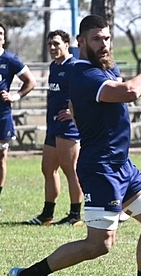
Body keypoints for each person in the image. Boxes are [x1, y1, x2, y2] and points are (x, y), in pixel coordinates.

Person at [8, 14, 141, 276]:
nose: (104, 43)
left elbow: (90, 102)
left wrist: (80, 113)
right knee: (99, 244)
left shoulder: (104, 68)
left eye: (107, 38)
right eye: (97, 39)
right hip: (101, 169)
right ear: (81, 42)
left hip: (123, 165)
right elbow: (130, 92)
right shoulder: (84, 73)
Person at [24, 30, 83, 226]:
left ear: (67, 45)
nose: (52, 48)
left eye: (56, 44)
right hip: (53, 126)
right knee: (48, 169)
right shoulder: (54, 66)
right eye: (50, 44)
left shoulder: (74, 66)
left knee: (70, 170)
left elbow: (85, 92)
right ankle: (47, 214)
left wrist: (73, 112)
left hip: (67, 128)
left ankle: (75, 215)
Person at [0, 21, 36, 210]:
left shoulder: (10, 60)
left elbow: (31, 81)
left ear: (4, 38)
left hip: (2, 116)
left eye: (0, 33)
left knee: (1, 157)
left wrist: (15, 96)